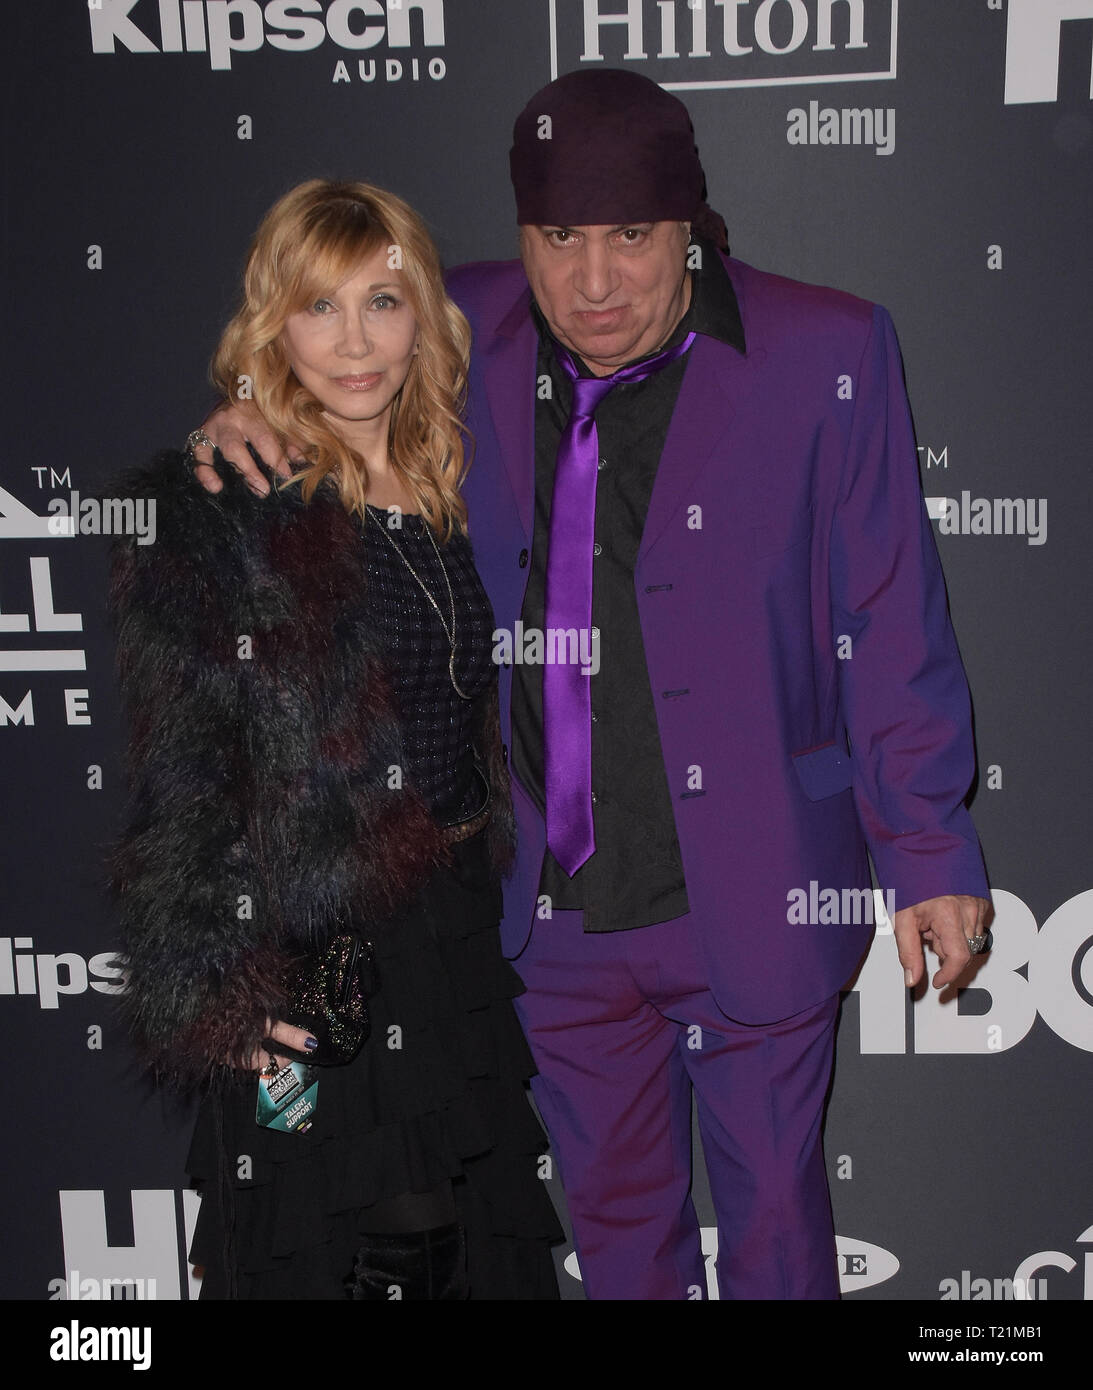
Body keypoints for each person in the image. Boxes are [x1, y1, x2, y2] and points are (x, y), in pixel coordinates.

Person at [193, 71, 992, 1301]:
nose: (594, 281)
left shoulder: (829, 351)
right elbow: (311, 355)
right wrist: (234, 417)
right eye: (560, 238)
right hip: (549, 913)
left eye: (632, 236)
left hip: (754, 880)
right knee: (620, 1244)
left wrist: (927, 844)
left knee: (778, 1228)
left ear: (690, 225)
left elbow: (888, 615)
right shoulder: (454, 330)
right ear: (523, 235)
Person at [109, 179, 561, 1300]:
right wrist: (219, 981)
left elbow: (574, 289)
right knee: (361, 1249)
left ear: (426, 317)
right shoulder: (233, 495)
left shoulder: (444, 471)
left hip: (448, 917)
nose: (355, 342)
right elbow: (186, 768)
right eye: (320, 308)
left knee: (478, 1244)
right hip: (325, 937)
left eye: (383, 302)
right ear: (274, 324)